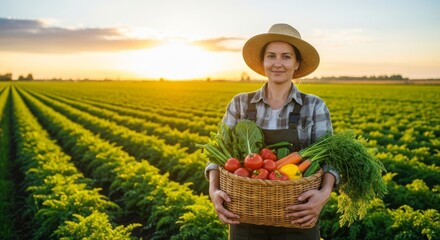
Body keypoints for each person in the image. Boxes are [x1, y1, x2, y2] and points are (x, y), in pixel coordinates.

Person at [205, 23, 340, 240]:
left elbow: (331, 159)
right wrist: (214, 189)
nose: (278, 63)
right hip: (245, 216)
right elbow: (216, 155)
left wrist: (323, 195)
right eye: (271, 56)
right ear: (263, 62)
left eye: (286, 57)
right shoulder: (240, 104)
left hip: (299, 215)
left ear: (297, 63)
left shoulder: (314, 106)